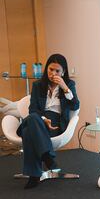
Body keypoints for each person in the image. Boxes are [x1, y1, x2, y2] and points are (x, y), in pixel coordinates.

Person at [17, 54, 80, 189]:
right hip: (40, 119)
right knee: (33, 118)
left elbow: (75, 106)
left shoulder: (69, 84)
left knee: (28, 130)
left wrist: (65, 88)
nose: (53, 73)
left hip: (56, 124)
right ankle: (47, 157)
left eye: (57, 71)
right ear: (46, 69)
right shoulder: (38, 85)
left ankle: (34, 175)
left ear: (63, 72)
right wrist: (44, 120)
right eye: (51, 69)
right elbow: (33, 109)